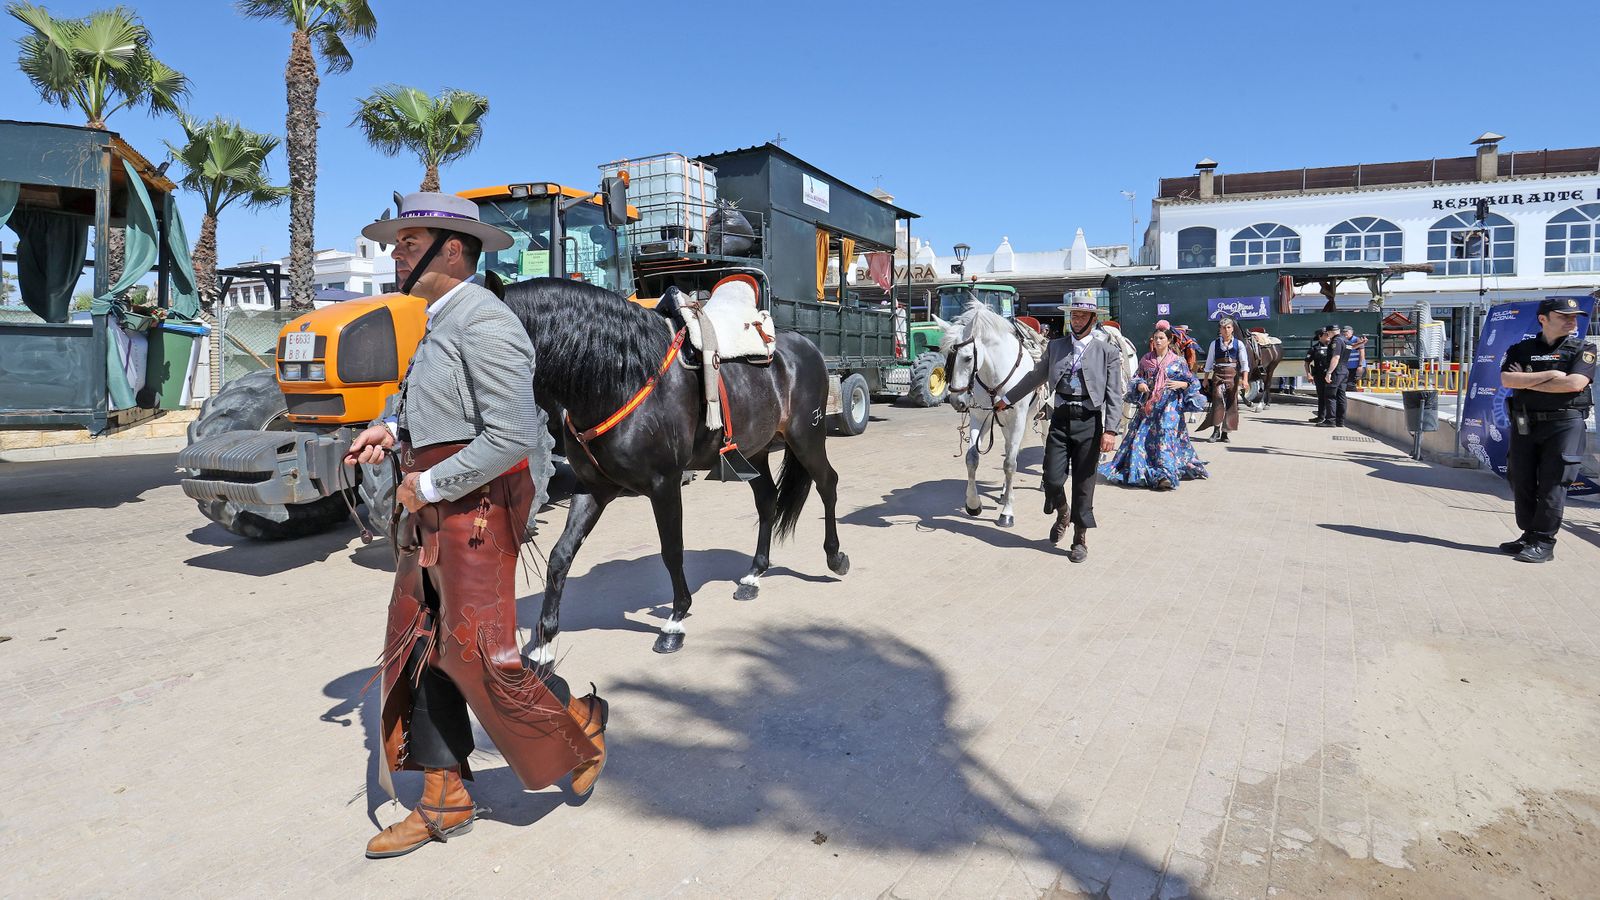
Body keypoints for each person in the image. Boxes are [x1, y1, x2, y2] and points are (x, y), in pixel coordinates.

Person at [345, 192, 609, 859]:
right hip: (433, 510)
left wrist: (428, 484)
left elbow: (512, 434)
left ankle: (574, 726)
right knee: (422, 642)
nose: (395, 254)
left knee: (475, 655)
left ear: (452, 250)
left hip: (474, 510)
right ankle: (444, 795)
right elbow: (432, 402)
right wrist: (390, 428)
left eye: (408, 243)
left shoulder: (484, 321)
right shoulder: (442, 320)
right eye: (397, 243)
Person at [993, 294, 1126, 562]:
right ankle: (1063, 512)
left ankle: (1080, 538)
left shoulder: (1107, 352)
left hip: (1089, 421)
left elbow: (1114, 394)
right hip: (1060, 418)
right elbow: (1035, 377)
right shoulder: (1056, 347)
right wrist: (1007, 399)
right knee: (1052, 479)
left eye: (1081, 316)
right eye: (1073, 316)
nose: (1075, 321)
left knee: (1084, 483)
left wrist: (1111, 430)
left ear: (1092, 319)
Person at [1496, 296, 1595, 563]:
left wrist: (1526, 381)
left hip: (1565, 423)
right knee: (1521, 479)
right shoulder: (1521, 348)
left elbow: (1574, 384)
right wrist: (1550, 375)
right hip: (1526, 423)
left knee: (1553, 483)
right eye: (1564, 316)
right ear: (1544, 319)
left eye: (1574, 317)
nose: (1572, 321)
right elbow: (1507, 378)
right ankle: (1529, 535)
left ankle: (1544, 541)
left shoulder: (1583, 349)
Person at [1100, 328, 1208, 490]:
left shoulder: (1178, 361)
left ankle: (1165, 475)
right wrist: (1140, 385)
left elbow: (1191, 382)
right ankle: (1142, 470)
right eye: (1155, 338)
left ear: (1169, 341)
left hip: (1170, 407)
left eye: (1161, 338)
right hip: (1149, 406)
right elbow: (1137, 377)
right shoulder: (1146, 360)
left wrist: (1181, 384)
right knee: (1142, 439)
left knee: (1165, 437)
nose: (1157, 341)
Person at [1198, 316, 1251, 442]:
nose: (1226, 330)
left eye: (1228, 327)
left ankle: (1225, 434)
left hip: (1232, 375)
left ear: (1232, 329)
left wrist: (1245, 380)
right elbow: (1209, 363)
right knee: (1217, 401)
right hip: (1218, 374)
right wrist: (1205, 379)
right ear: (1220, 330)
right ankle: (1216, 432)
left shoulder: (1239, 344)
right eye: (1223, 328)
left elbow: (1244, 364)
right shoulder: (1214, 344)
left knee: (1231, 403)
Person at [1307, 327, 1349, 426]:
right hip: (1343, 370)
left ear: (1330, 332)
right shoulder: (1345, 340)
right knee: (1341, 395)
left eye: (1327, 333)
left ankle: (1330, 420)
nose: (1328, 336)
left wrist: (1329, 372)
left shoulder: (1336, 341)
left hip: (1336, 371)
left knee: (1330, 395)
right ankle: (1340, 421)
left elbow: (1336, 357)